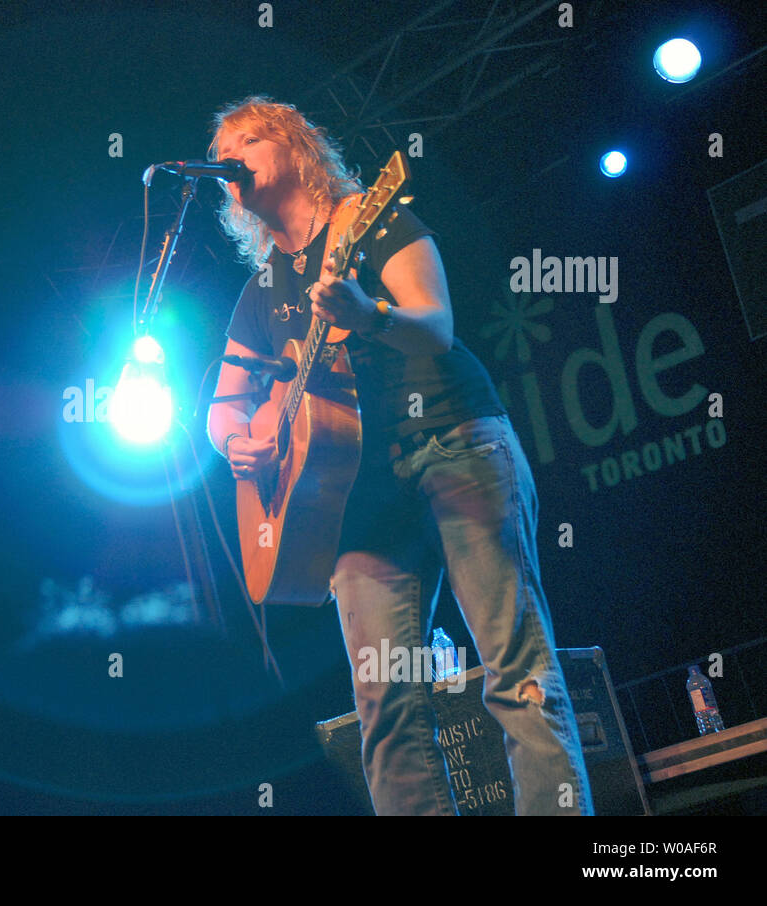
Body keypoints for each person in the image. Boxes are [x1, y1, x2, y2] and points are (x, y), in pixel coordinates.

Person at [205, 96, 593, 815]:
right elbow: (222, 405)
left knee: (515, 671)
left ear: (296, 149)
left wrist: (368, 314)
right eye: (222, 152)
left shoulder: (375, 218)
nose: (230, 159)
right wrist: (238, 440)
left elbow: (435, 326)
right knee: (385, 709)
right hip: (354, 500)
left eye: (250, 140)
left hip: (454, 445)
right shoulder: (260, 291)